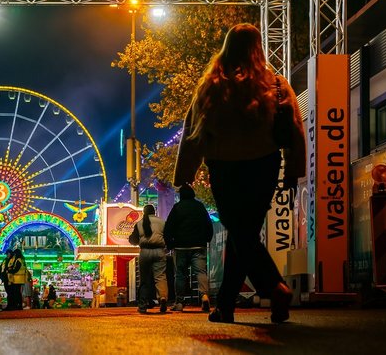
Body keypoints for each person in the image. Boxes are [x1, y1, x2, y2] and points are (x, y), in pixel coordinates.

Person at [175, 23, 306, 324]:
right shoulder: (275, 84)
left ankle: (274, 288)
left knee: (242, 234)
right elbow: (295, 131)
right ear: (257, 49)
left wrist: (185, 172)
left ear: (227, 47)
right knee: (244, 235)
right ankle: (226, 306)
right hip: (265, 166)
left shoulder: (212, 85)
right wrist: (294, 170)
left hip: (225, 168)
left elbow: (193, 131)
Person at [164, 183, 215, 312]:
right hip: (198, 245)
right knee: (201, 272)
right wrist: (206, 239)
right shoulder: (200, 207)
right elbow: (208, 225)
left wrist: (170, 244)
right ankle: (204, 296)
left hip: (180, 247)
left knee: (180, 275)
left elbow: (168, 228)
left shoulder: (177, 208)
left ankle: (179, 302)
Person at [128, 203, 169, 314]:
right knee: (160, 276)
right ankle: (163, 298)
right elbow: (168, 236)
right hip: (159, 251)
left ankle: (142, 305)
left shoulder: (139, 223)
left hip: (145, 252)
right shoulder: (162, 222)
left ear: (144, 212)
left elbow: (133, 240)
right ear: (154, 212)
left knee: (144, 279)